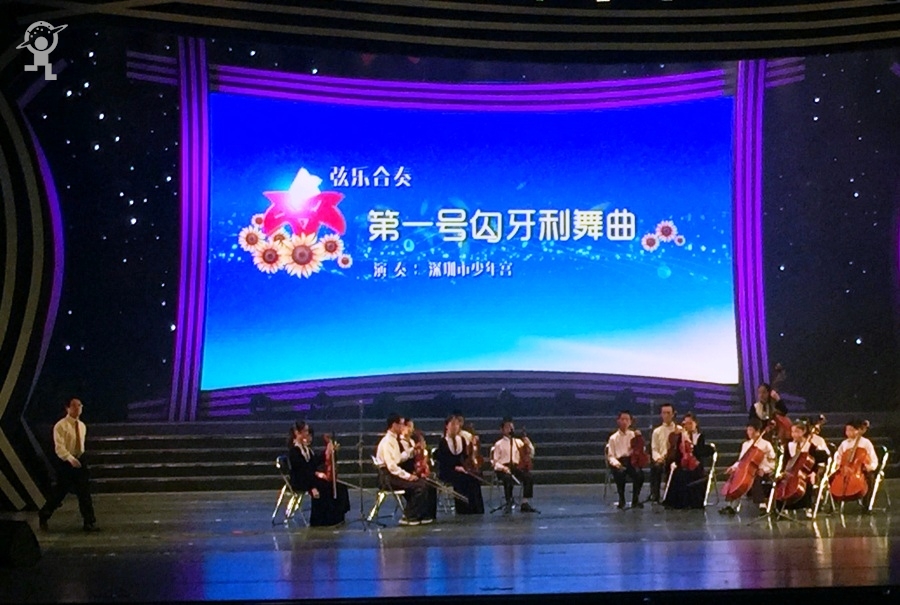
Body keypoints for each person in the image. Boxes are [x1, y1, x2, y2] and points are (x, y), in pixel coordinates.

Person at [39, 398, 98, 532]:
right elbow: (59, 447)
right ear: (67, 408)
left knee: (84, 492)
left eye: (80, 405)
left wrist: (80, 458)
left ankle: (89, 521)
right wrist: (70, 459)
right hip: (65, 462)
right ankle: (44, 514)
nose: (78, 408)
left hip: (80, 460)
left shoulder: (82, 426)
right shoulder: (60, 426)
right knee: (60, 492)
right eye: (74, 406)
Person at [287, 421, 350, 526]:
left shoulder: (305, 449)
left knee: (339, 487)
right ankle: (322, 521)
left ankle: (337, 517)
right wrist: (311, 486)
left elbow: (314, 462)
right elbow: (302, 471)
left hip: (310, 478)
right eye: (305, 431)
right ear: (297, 433)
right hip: (301, 481)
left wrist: (328, 452)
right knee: (325, 487)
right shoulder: (294, 451)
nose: (307, 433)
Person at [375, 413, 433, 526]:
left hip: (393, 474)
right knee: (419, 486)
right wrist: (408, 476)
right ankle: (410, 516)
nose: (402, 427)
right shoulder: (387, 441)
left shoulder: (394, 440)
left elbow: (398, 458)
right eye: (400, 424)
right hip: (387, 477)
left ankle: (421, 514)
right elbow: (392, 467)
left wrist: (412, 450)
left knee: (424, 483)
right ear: (394, 425)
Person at [720, 419, 777, 514]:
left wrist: (765, 470)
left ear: (758, 431)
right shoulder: (746, 444)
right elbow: (742, 460)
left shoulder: (766, 445)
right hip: (748, 470)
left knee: (756, 479)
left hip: (761, 472)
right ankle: (731, 505)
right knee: (735, 477)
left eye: (751, 430)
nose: (749, 432)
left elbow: (772, 462)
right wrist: (733, 467)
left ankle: (762, 505)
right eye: (748, 430)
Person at [662, 412, 714, 509]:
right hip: (683, 463)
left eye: (690, 423)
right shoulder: (682, 435)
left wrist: (692, 447)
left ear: (695, 423)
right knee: (679, 474)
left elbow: (702, 451)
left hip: (696, 463)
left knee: (695, 473)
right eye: (686, 423)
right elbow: (679, 452)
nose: (688, 426)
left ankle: (694, 502)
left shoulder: (700, 436)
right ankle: (679, 503)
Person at [435, 415, 485, 514]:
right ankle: (463, 508)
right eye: (452, 424)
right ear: (447, 426)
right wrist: (455, 467)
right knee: (461, 479)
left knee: (474, 478)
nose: (455, 427)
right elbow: (444, 460)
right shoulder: (443, 442)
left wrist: (467, 467)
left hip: (461, 468)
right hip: (448, 470)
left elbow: (464, 456)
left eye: (457, 424)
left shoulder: (461, 439)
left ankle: (476, 508)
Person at [491, 417, 538, 513]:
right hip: (503, 468)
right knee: (507, 478)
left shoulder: (518, 442)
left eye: (511, 427)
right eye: (507, 427)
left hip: (516, 467)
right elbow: (494, 462)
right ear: (502, 430)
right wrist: (503, 468)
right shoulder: (498, 444)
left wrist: (528, 443)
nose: (510, 429)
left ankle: (525, 502)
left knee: (528, 476)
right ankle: (509, 501)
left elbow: (530, 454)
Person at [831, 418, 879, 507]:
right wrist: (840, 466)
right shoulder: (844, 444)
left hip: (861, 470)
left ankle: (867, 504)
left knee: (870, 478)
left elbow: (874, 460)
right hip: (845, 469)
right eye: (847, 430)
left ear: (858, 430)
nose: (848, 432)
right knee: (832, 478)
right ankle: (834, 504)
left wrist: (868, 467)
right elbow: (838, 457)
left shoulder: (866, 443)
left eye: (851, 430)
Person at [606, 410, 645, 510]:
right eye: (622, 419)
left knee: (639, 475)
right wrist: (617, 464)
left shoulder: (633, 435)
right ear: (618, 421)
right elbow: (611, 456)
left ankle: (635, 499)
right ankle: (621, 499)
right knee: (619, 474)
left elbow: (640, 449)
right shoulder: (613, 438)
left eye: (627, 419)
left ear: (630, 422)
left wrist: (639, 438)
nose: (624, 422)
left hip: (631, 460)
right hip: (619, 461)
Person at [649, 403, 680, 503]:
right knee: (656, 467)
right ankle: (655, 494)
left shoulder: (679, 429)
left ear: (673, 414)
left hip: (675, 459)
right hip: (662, 458)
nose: (666, 415)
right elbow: (654, 448)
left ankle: (672, 495)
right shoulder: (657, 431)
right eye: (664, 413)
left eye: (668, 413)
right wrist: (658, 458)